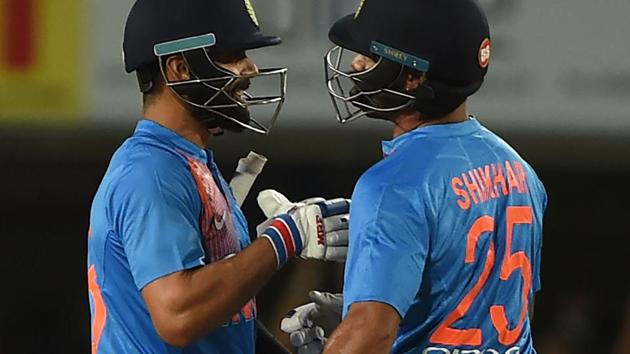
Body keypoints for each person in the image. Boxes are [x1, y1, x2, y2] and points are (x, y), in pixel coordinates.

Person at [281, 0, 547, 353]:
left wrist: (356, 330)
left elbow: (373, 332)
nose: (357, 64)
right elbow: (513, 307)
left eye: (370, 56)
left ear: (412, 77)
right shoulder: (520, 171)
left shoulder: (392, 184)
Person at [86, 0, 349, 353]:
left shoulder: (189, 164)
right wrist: (285, 237)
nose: (250, 69)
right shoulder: (151, 172)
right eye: (231, 54)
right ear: (180, 68)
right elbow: (178, 316)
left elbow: (224, 317)